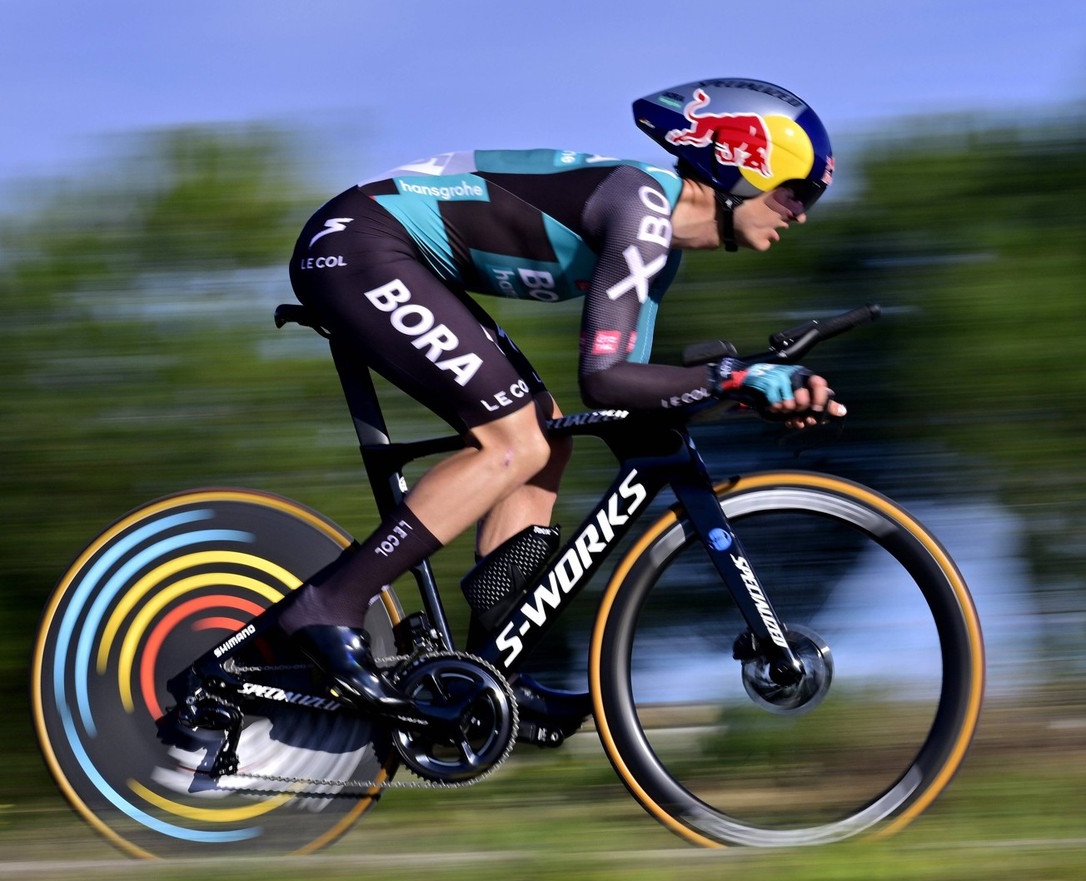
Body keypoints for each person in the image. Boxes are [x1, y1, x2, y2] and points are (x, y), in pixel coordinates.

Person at [208, 78, 840, 722]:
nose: (801, 213)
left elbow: (632, 400)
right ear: (740, 165)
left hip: (393, 255)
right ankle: (326, 607)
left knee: (545, 440)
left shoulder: (658, 249)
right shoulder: (641, 206)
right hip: (358, 244)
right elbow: (606, 377)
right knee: (513, 442)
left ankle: (490, 673)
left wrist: (758, 394)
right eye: (797, 191)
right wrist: (735, 376)